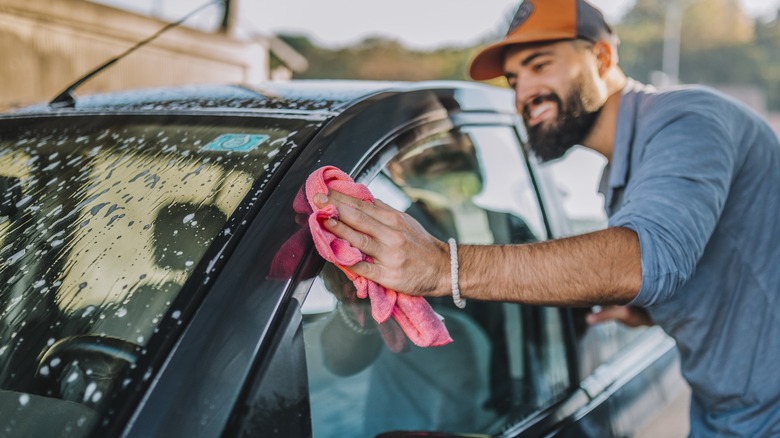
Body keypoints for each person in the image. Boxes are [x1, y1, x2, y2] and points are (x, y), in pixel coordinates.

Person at [312, 0, 780, 435]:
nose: (525, 94)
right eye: (514, 81)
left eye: (540, 65)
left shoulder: (689, 118)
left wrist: (441, 266)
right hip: (729, 413)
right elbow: (723, 266)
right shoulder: (626, 174)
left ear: (601, 57)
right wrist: (650, 311)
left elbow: (646, 260)